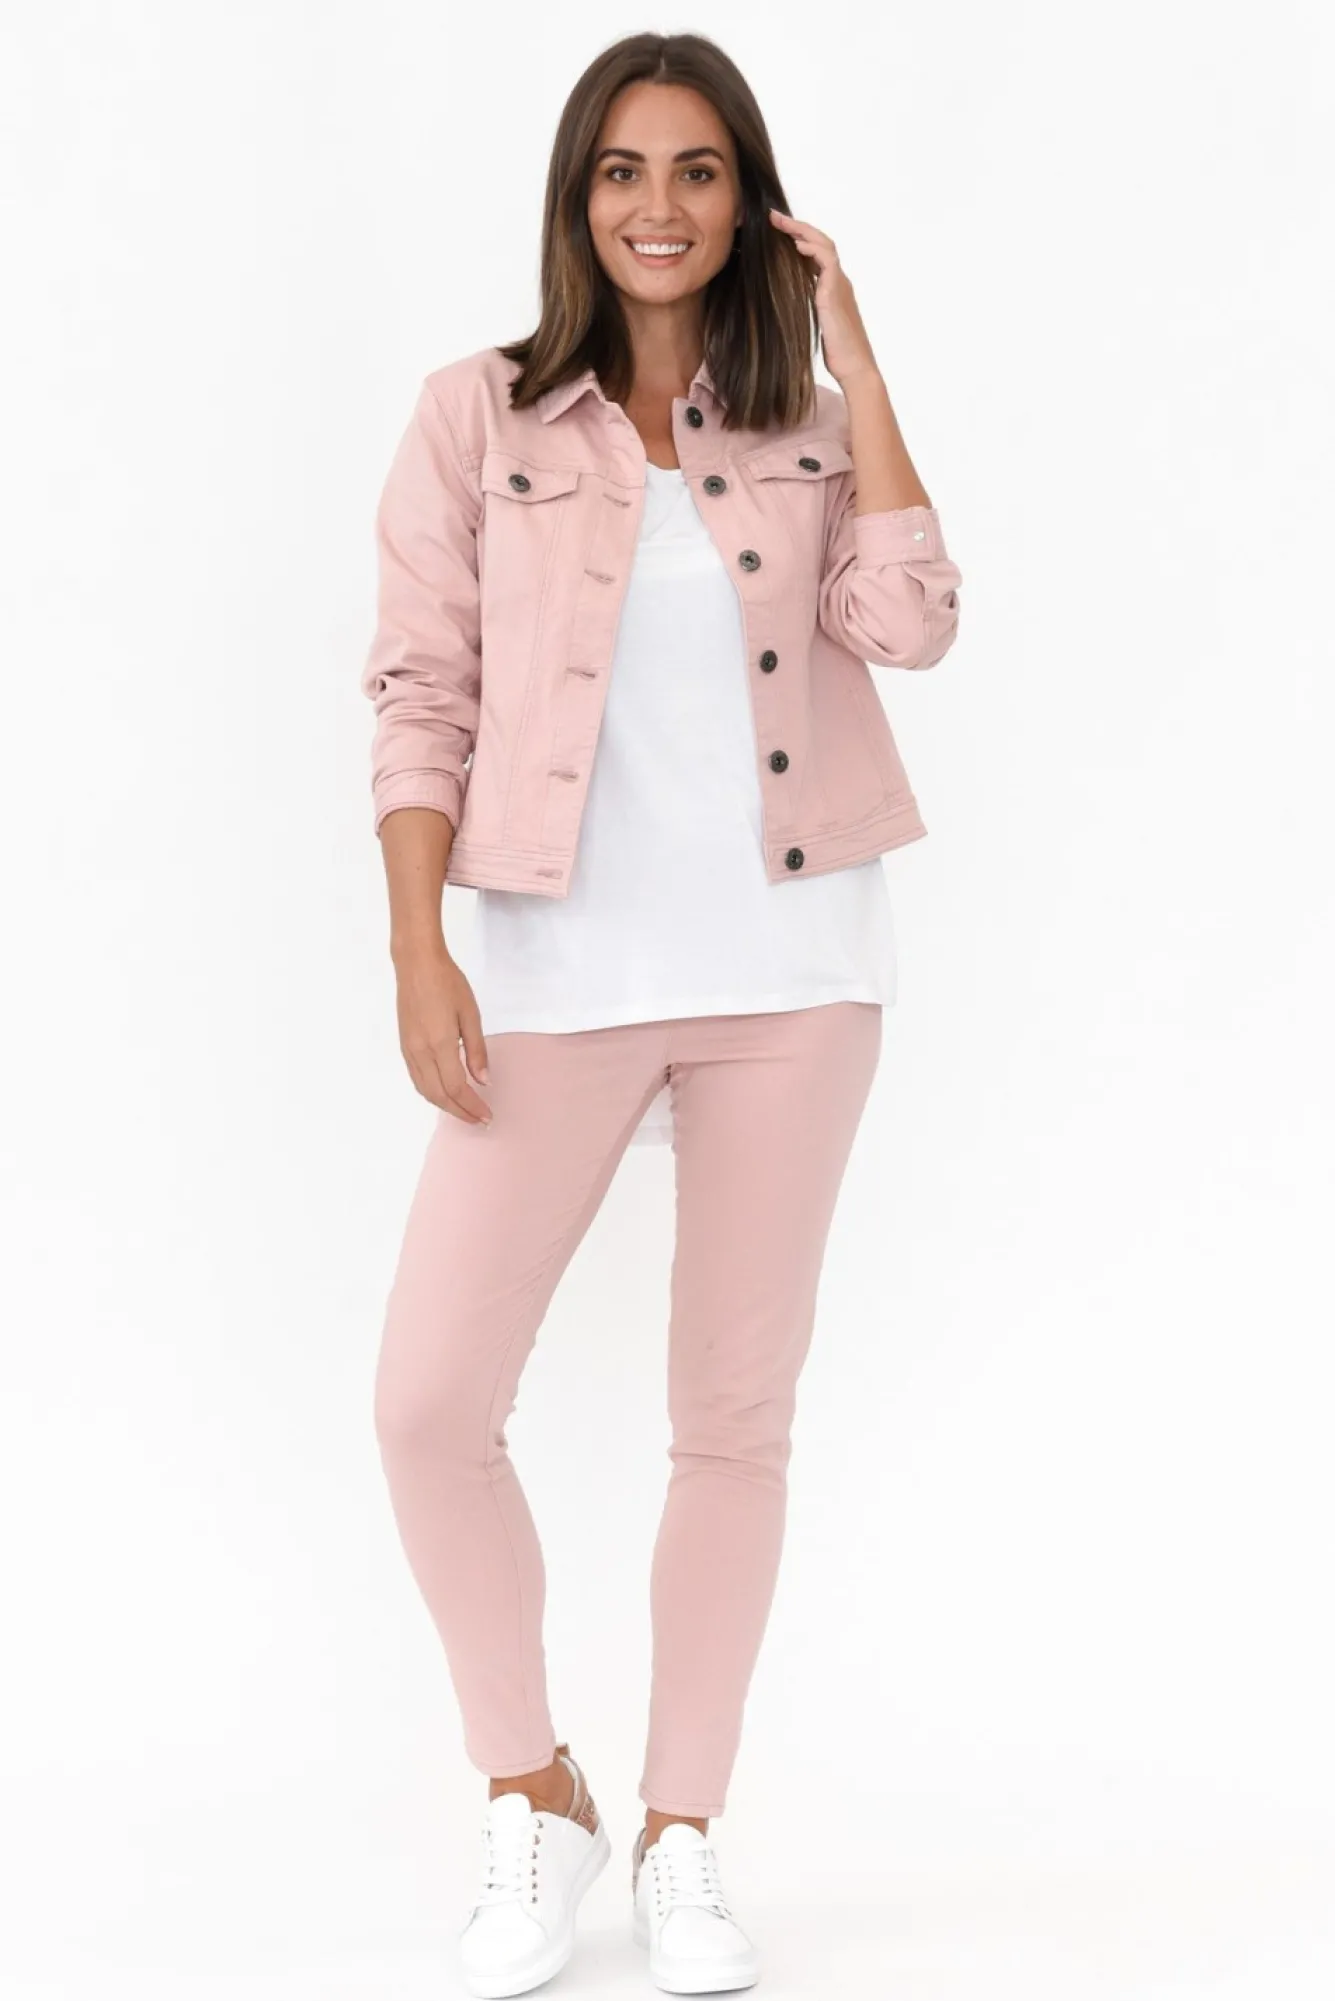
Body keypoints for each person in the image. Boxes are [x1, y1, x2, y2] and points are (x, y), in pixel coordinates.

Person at [360, 30, 962, 1998]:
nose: (658, 206)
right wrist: (420, 947)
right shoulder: (475, 415)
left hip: (795, 976)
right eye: (623, 170)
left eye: (698, 170)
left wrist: (853, 357)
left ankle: (684, 1832)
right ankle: (533, 1793)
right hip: (556, 973)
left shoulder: (802, 420)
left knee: (731, 1421)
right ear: (575, 196)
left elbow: (911, 622)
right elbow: (420, 686)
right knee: (429, 1403)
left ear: (749, 201)